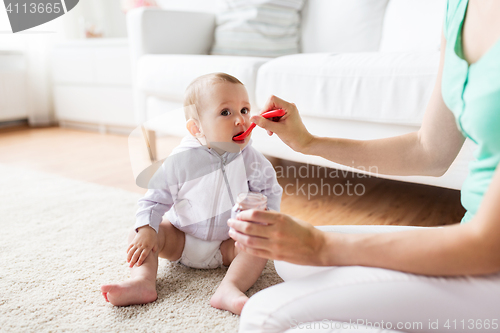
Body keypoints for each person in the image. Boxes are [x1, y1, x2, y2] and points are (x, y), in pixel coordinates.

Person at [227, 0, 500, 331]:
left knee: (264, 314)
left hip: (488, 255)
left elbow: (488, 245)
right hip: (472, 234)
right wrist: (309, 143)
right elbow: (428, 150)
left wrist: (321, 247)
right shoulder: (459, 8)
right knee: (289, 259)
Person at [101, 73, 283, 315]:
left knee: (258, 246)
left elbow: (269, 193)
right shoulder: (180, 161)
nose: (240, 119)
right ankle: (142, 281)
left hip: (227, 244)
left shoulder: (252, 160)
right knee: (141, 232)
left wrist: (266, 219)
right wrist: (146, 228)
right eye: (226, 112)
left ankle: (230, 288)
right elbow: (154, 198)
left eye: (245, 109)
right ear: (197, 128)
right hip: (180, 239)